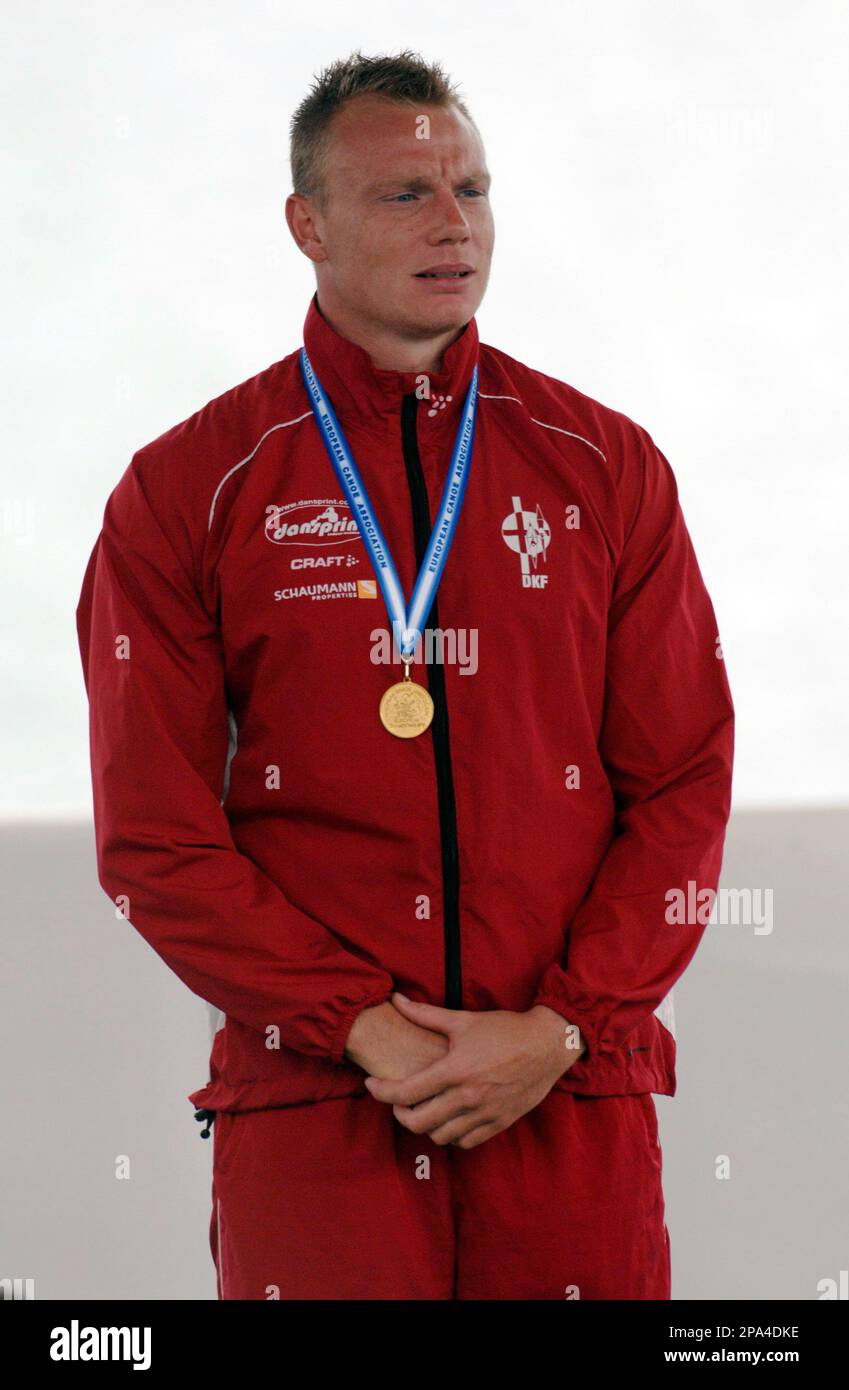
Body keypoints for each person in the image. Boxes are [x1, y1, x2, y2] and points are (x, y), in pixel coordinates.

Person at [75, 50, 735, 1301]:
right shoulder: (187, 489)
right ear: (305, 224)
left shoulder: (607, 467)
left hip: (567, 1097)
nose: (454, 223)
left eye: (473, 188)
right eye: (405, 195)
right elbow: (157, 838)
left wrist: (561, 1027)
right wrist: (361, 1028)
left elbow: (686, 785)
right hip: (321, 1106)